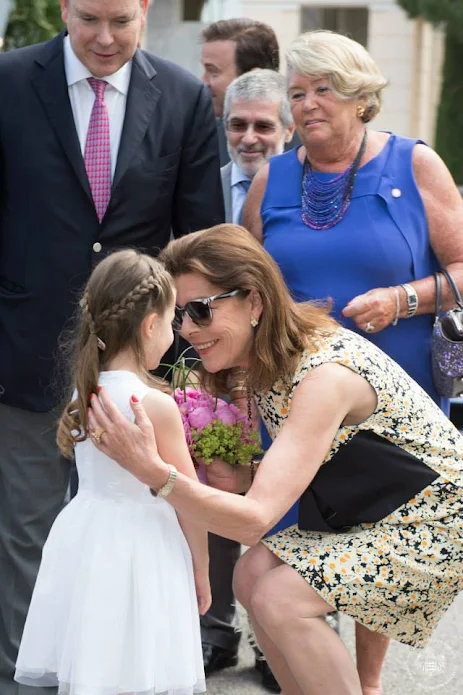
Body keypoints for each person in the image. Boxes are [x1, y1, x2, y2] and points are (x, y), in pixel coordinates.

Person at [89, 225, 463, 695]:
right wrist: (240, 475)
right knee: (251, 575)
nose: (186, 330)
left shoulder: (324, 376)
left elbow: (254, 521)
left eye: (201, 310)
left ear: (255, 302)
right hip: (377, 506)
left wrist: (155, 473)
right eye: (179, 314)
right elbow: (302, 470)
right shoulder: (267, 359)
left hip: (438, 520)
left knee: (282, 598)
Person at [0, 0, 223, 691]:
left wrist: (191, 362)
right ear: (64, 8)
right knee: (26, 533)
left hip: (140, 366)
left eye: (121, 21)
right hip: (24, 346)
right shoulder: (7, 83)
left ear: (145, 12)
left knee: (134, 533)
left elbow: (197, 236)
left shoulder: (184, 97)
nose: (104, 37)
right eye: (89, 17)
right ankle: (25, 676)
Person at [14, 249, 210, 695]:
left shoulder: (84, 393)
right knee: (144, 661)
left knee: (96, 657)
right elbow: (188, 497)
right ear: (149, 325)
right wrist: (201, 568)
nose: (175, 330)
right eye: (170, 319)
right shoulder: (154, 405)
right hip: (145, 542)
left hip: (87, 537)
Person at [243, 30, 463, 414]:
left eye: (323, 89)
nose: (308, 104)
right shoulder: (268, 180)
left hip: (402, 396)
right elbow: (241, 286)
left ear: (360, 97)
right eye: (297, 94)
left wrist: (401, 300)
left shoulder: (414, 165)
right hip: (293, 396)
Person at [202, 68, 294, 689]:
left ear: (288, 130)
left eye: (265, 124)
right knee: (214, 482)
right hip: (207, 360)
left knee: (284, 499)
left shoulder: (296, 193)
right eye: (238, 124)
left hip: (279, 366)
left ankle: (276, 642)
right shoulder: (200, 185)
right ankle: (215, 630)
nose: (250, 136)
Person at [200, 18, 280, 165]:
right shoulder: (200, 141)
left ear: (253, 77)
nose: (203, 81)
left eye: (213, 72)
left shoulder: (309, 153)